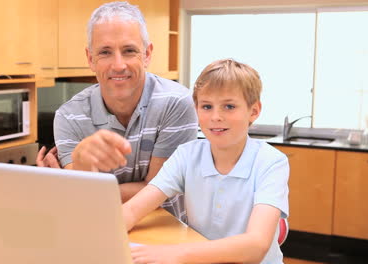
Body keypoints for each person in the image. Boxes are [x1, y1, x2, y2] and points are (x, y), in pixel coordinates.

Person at [36, 1, 198, 221]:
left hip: (165, 234)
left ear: (147, 54)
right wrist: (79, 173)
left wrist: (74, 182)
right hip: (94, 229)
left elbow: (161, 190)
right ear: (90, 59)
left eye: (129, 50)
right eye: (105, 52)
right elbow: (80, 196)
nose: (118, 65)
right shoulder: (69, 115)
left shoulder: (176, 103)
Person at [123, 59, 290, 264]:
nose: (216, 116)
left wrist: (177, 254)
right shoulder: (186, 155)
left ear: (254, 111)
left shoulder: (271, 162)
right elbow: (132, 210)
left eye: (229, 106)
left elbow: (256, 246)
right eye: (207, 106)